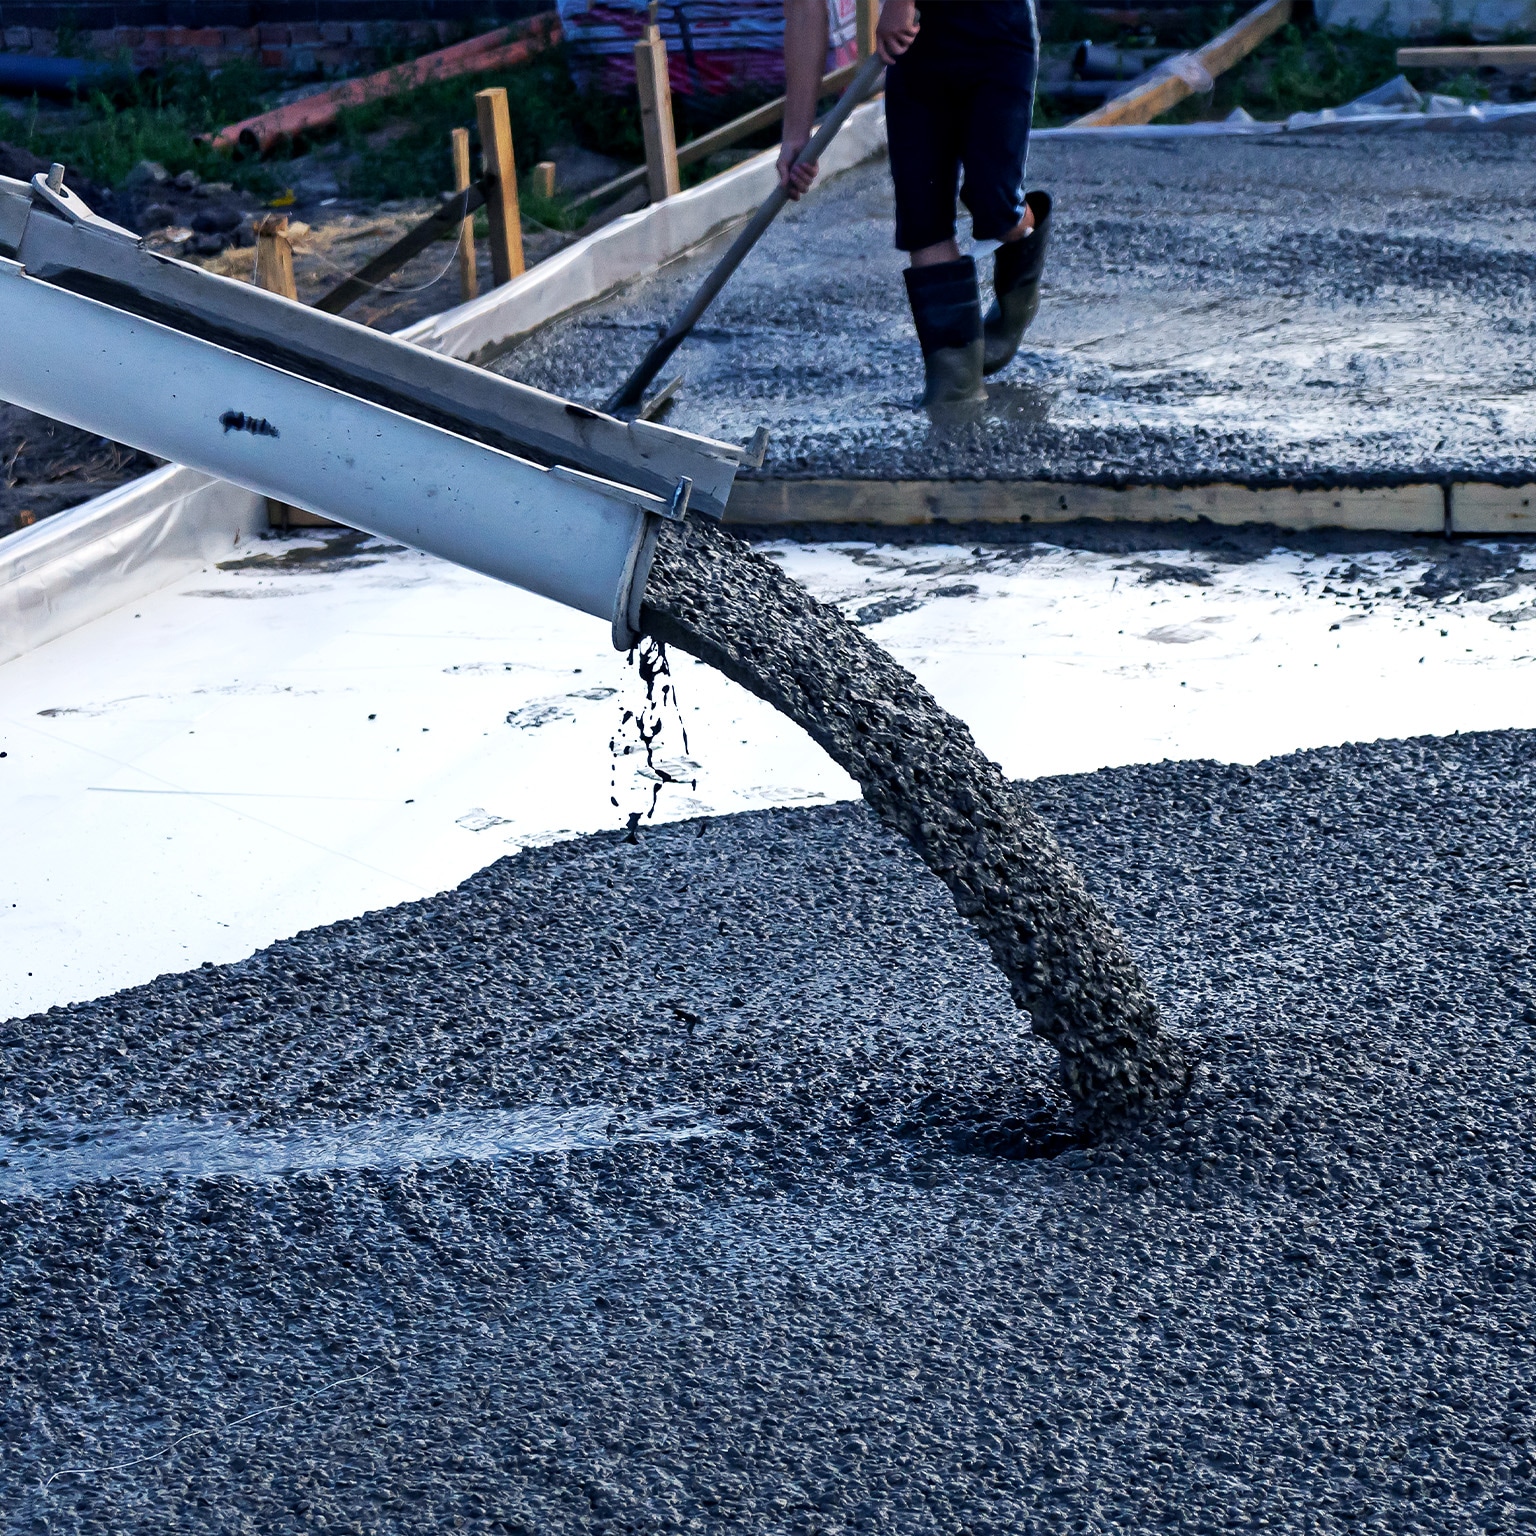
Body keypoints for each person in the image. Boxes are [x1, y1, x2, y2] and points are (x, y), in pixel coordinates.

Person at [779, 0, 1051, 408]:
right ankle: (954, 395)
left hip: (995, 29)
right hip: (915, 53)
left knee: (994, 206)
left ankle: (1024, 255)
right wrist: (798, 133)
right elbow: (804, 12)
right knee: (924, 221)